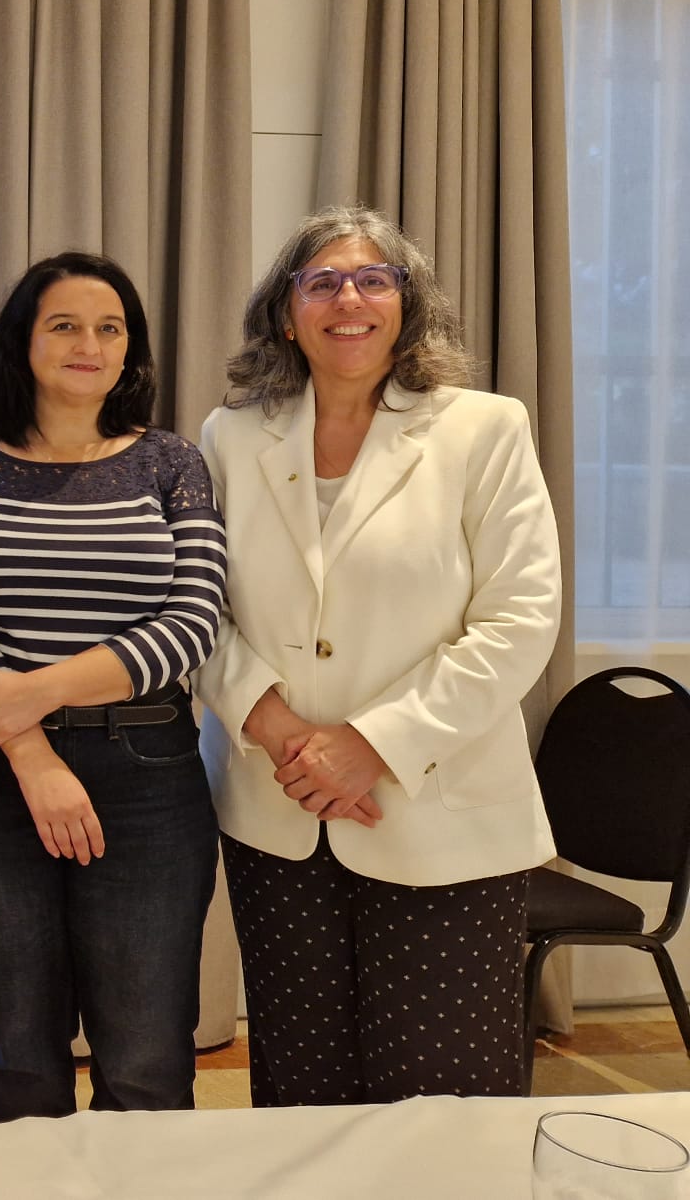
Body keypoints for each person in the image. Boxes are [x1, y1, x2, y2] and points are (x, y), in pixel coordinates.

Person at [195, 207, 560, 1106]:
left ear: (407, 305)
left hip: (442, 816)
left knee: (441, 1095)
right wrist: (277, 728)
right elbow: (196, 607)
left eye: (373, 279)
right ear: (287, 313)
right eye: (321, 282)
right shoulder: (231, 439)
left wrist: (373, 743)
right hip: (276, 811)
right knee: (300, 1087)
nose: (347, 298)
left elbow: (520, 619)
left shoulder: (484, 428)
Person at [0, 252, 225, 1121]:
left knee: (147, 1050)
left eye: (110, 328)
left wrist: (38, 691)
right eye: (64, 325)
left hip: (149, 773)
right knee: (16, 1045)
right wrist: (28, 747)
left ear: (131, 349)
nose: (89, 344)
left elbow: (193, 619)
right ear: (23, 339)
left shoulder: (173, 463)